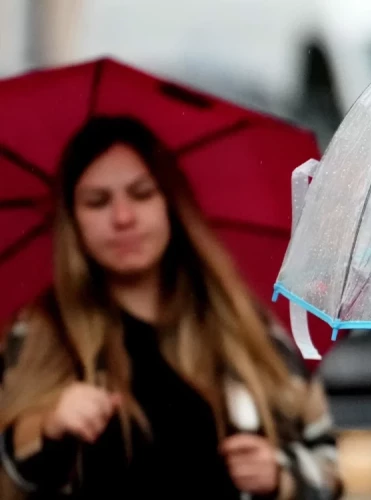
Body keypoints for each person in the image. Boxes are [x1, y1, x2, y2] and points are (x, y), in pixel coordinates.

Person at [0, 116, 342, 499]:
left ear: (170, 203)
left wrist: (282, 477)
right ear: (72, 220)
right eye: (97, 201)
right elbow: (11, 473)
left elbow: (329, 469)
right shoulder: (40, 332)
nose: (123, 218)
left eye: (142, 193)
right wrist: (48, 426)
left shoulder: (244, 328)